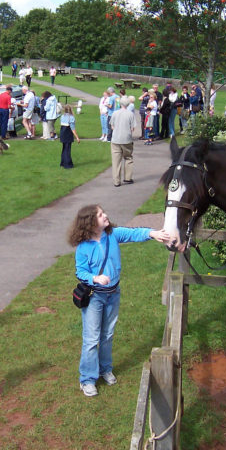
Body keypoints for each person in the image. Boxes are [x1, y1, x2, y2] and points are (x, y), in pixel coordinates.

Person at [67, 205, 171, 397]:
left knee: (107, 335)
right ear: (90, 222)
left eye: (103, 212)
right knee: (91, 339)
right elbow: (80, 272)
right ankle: (87, 379)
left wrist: (152, 233)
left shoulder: (112, 235)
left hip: (113, 293)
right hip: (95, 297)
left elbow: (134, 233)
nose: (105, 215)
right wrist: (95, 279)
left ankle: (105, 369)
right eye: (100, 215)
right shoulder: (83, 248)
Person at [109, 96, 139, 187]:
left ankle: (116, 181)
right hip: (126, 139)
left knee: (116, 161)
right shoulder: (130, 114)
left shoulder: (115, 113)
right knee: (128, 158)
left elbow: (112, 126)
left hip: (116, 139)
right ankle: (127, 178)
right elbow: (132, 128)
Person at [59, 104, 80, 169]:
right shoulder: (71, 117)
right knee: (67, 149)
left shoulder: (62, 116)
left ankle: (62, 162)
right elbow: (73, 129)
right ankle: (67, 164)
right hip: (68, 134)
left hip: (62, 133)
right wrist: (77, 137)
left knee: (64, 148)